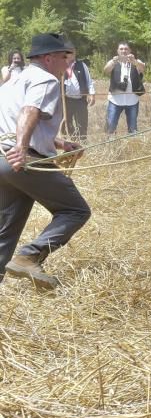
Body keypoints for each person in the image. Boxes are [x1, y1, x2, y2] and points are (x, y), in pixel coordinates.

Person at [0, 33, 90, 291]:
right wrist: (21, 147)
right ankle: (30, 256)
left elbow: (17, 118)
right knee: (76, 211)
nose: (68, 62)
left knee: (5, 230)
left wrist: (59, 143)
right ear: (49, 58)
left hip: (3, 161)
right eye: (65, 57)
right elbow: (30, 111)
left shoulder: (13, 82)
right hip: (26, 162)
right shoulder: (46, 79)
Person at [103, 41, 145, 134]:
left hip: (132, 101)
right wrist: (114, 62)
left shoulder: (136, 61)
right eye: (121, 49)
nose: (124, 51)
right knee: (110, 127)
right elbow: (106, 70)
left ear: (130, 50)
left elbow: (142, 68)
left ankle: (132, 145)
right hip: (115, 100)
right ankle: (109, 145)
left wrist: (134, 62)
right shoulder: (113, 61)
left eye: (126, 49)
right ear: (117, 51)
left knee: (133, 128)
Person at [63, 47, 96, 140]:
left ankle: (83, 143)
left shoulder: (82, 65)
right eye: (69, 51)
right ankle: (71, 142)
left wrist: (92, 94)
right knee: (66, 122)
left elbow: (89, 81)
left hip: (80, 100)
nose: (72, 53)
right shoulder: (60, 65)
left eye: (73, 51)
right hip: (66, 100)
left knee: (82, 123)